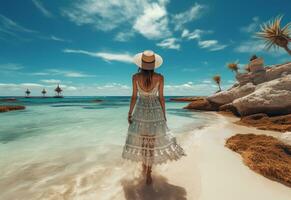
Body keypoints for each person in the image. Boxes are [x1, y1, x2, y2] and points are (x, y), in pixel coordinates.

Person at [122, 50, 185, 185]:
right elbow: (161, 98)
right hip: (155, 111)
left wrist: (129, 113)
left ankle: (144, 167)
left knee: (144, 141)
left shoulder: (135, 77)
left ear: (141, 63)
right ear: (154, 64)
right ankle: (149, 173)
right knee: (152, 142)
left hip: (140, 111)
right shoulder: (160, 77)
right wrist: (164, 114)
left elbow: (134, 96)